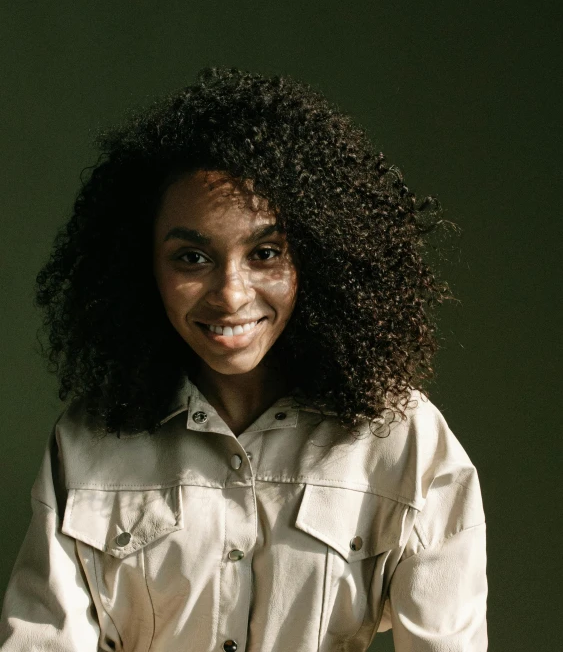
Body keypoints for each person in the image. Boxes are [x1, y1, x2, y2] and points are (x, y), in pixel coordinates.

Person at [0, 67, 487, 651]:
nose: (231, 294)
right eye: (191, 258)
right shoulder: (87, 442)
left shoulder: (405, 440)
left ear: (319, 257)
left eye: (266, 252)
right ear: (141, 269)